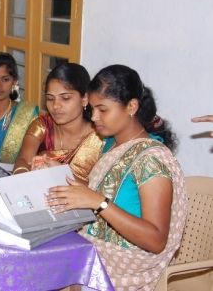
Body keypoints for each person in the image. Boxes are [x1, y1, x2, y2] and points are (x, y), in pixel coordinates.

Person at [46, 65, 187, 290]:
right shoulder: (113, 144)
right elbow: (105, 189)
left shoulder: (151, 159)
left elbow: (156, 240)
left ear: (131, 106)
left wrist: (98, 203)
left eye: (102, 110)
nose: (94, 117)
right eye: (92, 109)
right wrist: (60, 174)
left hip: (126, 269)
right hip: (94, 249)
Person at [13, 63, 102, 181]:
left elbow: (98, 190)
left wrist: (59, 174)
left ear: (84, 99)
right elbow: (23, 160)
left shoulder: (100, 138)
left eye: (65, 98)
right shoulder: (42, 125)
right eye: (50, 98)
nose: (55, 106)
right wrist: (21, 176)